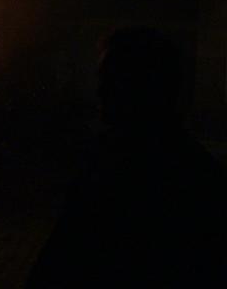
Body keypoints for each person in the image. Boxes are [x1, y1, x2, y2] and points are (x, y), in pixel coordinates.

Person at [27, 28, 227, 287]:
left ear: (145, 86)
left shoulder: (116, 169)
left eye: (110, 79)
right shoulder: (199, 172)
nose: (99, 92)